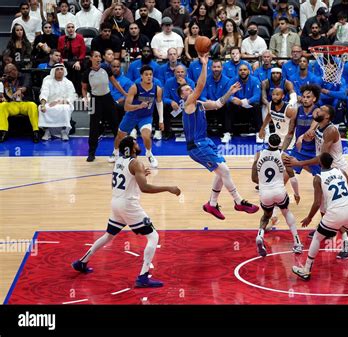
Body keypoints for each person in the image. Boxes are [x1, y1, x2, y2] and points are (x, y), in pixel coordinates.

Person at [72, 136, 181, 288]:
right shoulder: (136, 163)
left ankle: (81, 262)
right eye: (135, 143)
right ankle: (143, 277)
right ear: (131, 147)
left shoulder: (119, 160)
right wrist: (169, 188)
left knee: (108, 235)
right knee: (153, 236)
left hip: (116, 202)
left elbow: (129, 176)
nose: (138, 144)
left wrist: (141, 174)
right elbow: (145, 188)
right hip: (129, 205)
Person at [179, 53, 259, 220]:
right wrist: (204, 65)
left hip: (205, 143)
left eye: (189, 87)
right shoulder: (188, 104)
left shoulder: (199, 104)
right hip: (197, 146)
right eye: (186, 89)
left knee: (221, 171)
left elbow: (217, 104)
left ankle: (212, 204)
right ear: (182, 96)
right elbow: (200, 87)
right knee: (225, 170)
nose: (190, 89)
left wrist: (230, 91)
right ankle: (238, 201)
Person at [292, 152, 348, 282]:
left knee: (318, 238)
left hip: (334, 213)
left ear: (320, 163)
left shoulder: (318, 178)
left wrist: (309, 218)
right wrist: (344, 201)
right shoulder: (341, 171)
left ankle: (306, 270)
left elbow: (317, 203)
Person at [285, 105, 348, 258]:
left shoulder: (330, 131)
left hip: (336, 169)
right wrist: (303, 137)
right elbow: (313, 136)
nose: (317, 111)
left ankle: (347, 243)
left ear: (327, 117)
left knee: (333, 208)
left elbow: (322, 156)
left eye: (321, 110)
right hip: (324, 168)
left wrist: (299, 163)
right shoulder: (319, 126)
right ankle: (328, 230)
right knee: (323, 206)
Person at [252, 133, 303, 257]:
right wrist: (296, 194)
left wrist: (264, 183)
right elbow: (293, 177)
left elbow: (254, 178)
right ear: (279, 143)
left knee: (265, 216)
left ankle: (260, 235)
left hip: (265, 193)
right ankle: (297, 242)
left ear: (268, 142)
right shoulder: (284, 156)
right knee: (286, 212)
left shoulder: (258, 154)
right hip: (279, 191)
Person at [110, 65, 163, 169]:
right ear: (141, 76)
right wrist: (139, 106)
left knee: (146, 136)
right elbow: (126, 107)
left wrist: (161, 120)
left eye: (151, 74)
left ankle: (149, 154)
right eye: (146, 74)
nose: (149, 76)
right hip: (132, 116)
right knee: (120, 136)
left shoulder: (157, 89)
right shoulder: (134, 88)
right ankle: (115, 152)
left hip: (146, 117)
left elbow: (159, 103)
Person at [82, 50, 128, 162]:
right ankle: (91, 153)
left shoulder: (106, 69)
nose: (98, 59)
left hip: (107, 98)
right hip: (94, 100)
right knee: (93, 127)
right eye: (96, 56)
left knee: (115, 125)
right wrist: (85, 98)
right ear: (91, 58)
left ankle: (122, 151)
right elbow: (83, 88)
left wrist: (125, 94)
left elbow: (115, 83)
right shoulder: (87, 73)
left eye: (99, 57)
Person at [0, 63, 40, 143]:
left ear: (14, 71)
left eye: (9, 73)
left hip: (25, 102)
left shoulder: (25, 76)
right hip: (12, 103)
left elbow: (27, 84)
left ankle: (35, 132)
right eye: (7, 74)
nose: (8, 76)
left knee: (32, 105)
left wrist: (20, 90)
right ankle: (3, 132)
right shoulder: (5, 80)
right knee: (2, 106)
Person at [38, 63, 77, 141]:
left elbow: (72, 96)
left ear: (64, 71)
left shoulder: (68, 83)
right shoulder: (48, 81)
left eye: (61, 69)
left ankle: (64, 131)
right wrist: (43, 105)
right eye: (57, 69)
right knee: (41, 108)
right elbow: (44, 93)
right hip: (49, 103)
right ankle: (47, 131)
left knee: (65, 109)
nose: (60, 71)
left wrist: (60, 102)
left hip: (63, 103)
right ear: (54, 71)